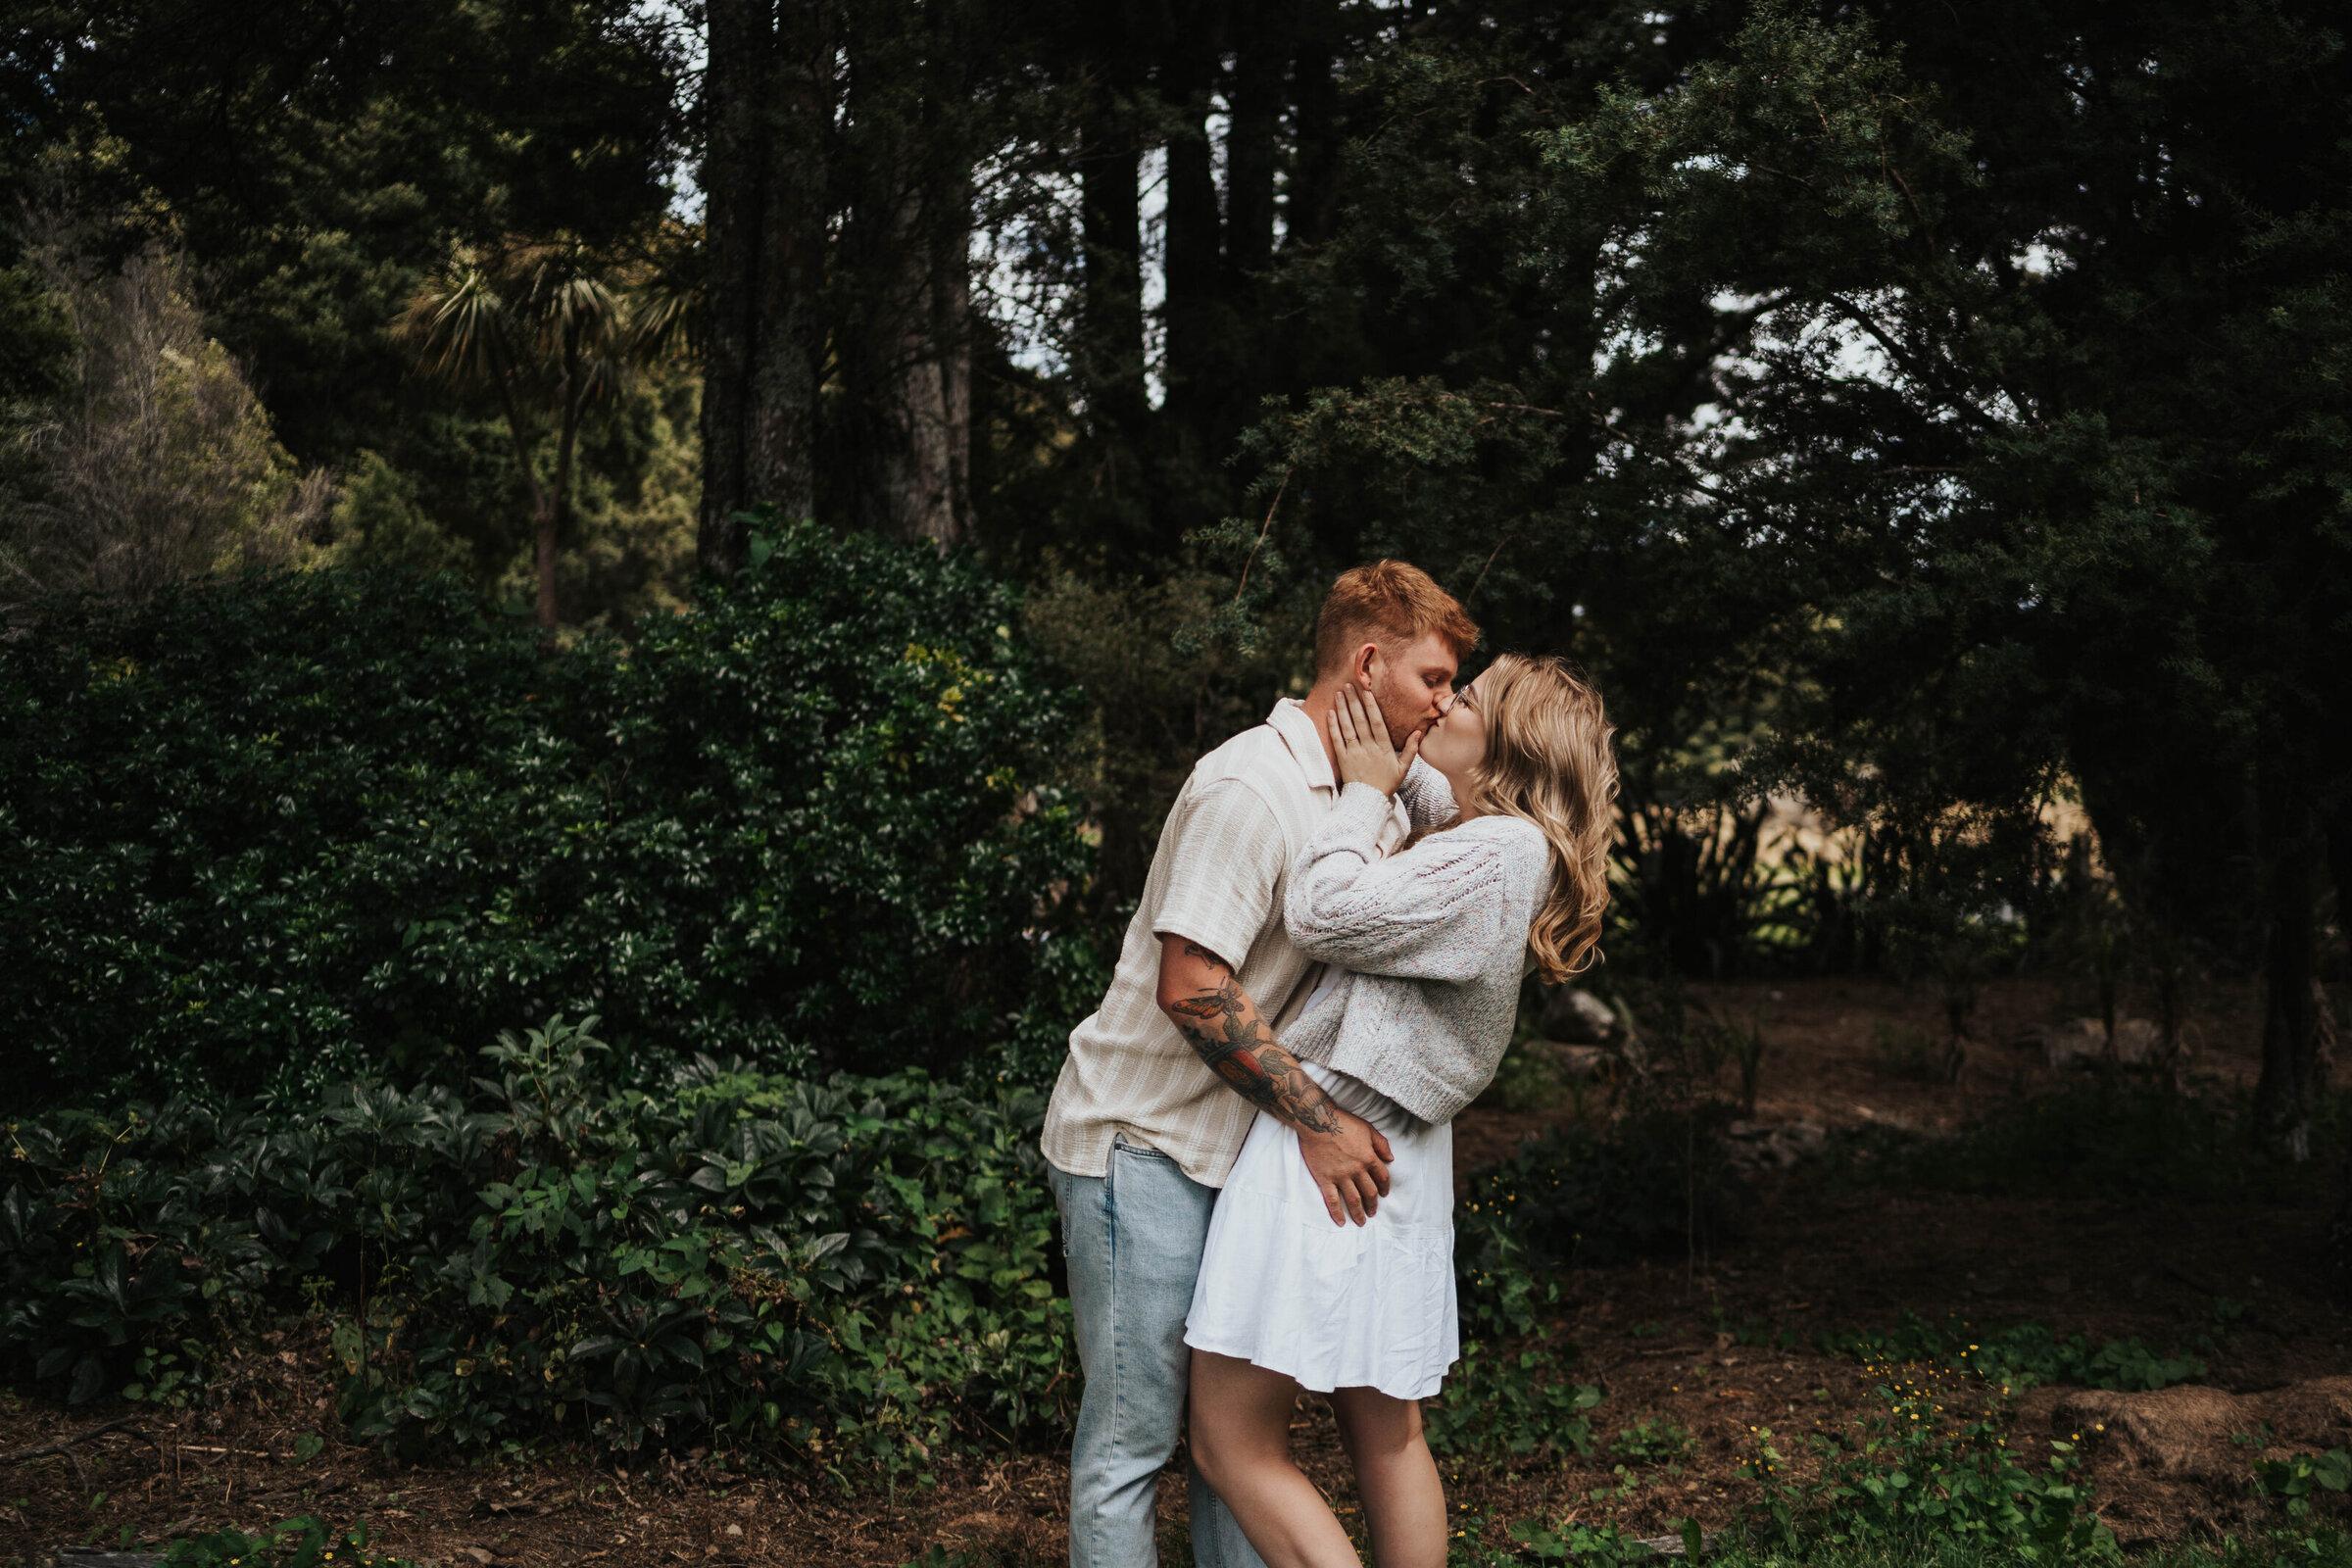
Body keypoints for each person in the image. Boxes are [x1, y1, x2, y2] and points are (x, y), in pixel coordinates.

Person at [1040, 561, 1480, 1568]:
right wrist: (1322, 1124)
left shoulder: (1369, 795)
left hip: (1238, 1153)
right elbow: (1193, 983)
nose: (1447, 702)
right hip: (1142, 1144)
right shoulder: (1254, 784)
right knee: (1136, 1440)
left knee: (1235, 1449)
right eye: (1433, 678)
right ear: (1368, 664)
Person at [1182, 655, 1619, 1568]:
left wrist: (1360, 794)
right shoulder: (1491, 836)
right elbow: (1412, 790)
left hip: (1332, 1146)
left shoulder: (1496, 854)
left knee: (1232, 1443)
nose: (1447, 703)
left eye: (1470, 696)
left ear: (1508, 745)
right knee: (1388, 1438)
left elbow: (1324, 908)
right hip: (1398, 1155)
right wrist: (1379, 753)